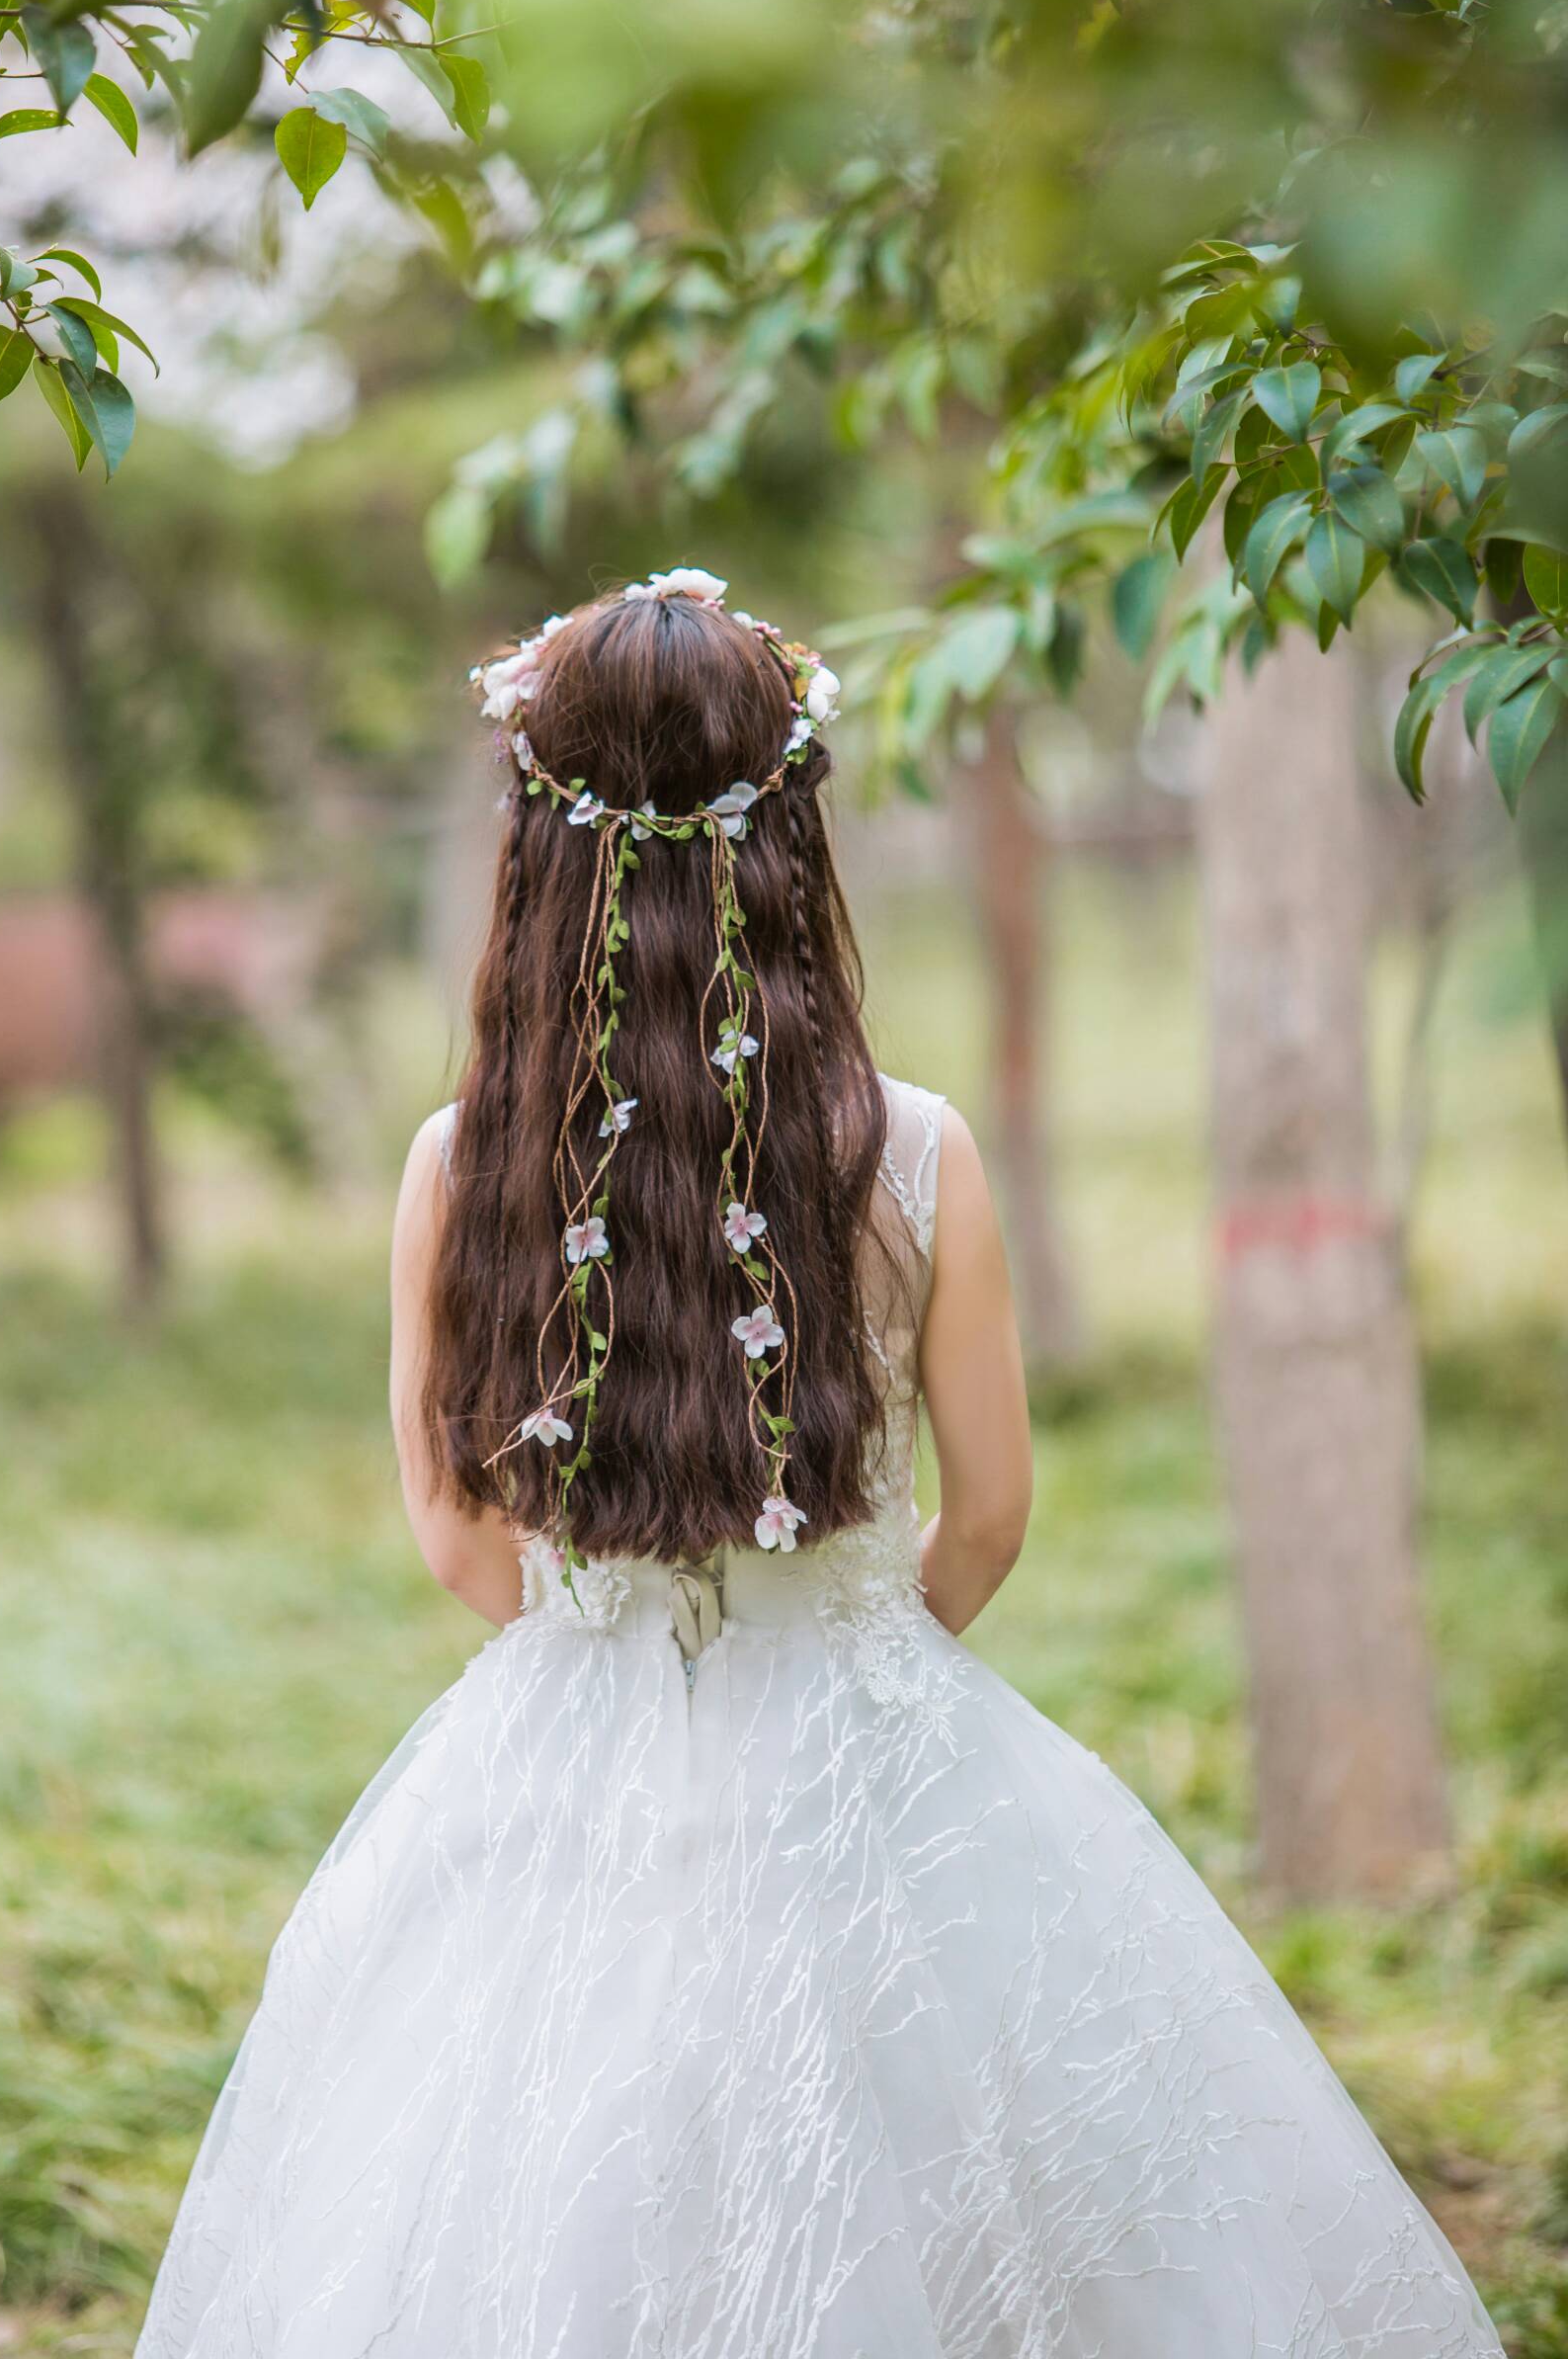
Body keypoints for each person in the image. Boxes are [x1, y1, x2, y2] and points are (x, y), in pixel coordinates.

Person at [136, 571, 1503, 2358]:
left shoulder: (460, 1165)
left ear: (540, 854)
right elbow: (993, 1517)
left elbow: (453, 1530)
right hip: (876, 1747)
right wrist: (850, 1643)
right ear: (790, 828)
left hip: (566, 1744)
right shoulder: (913, 1152)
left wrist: (612, 1642)